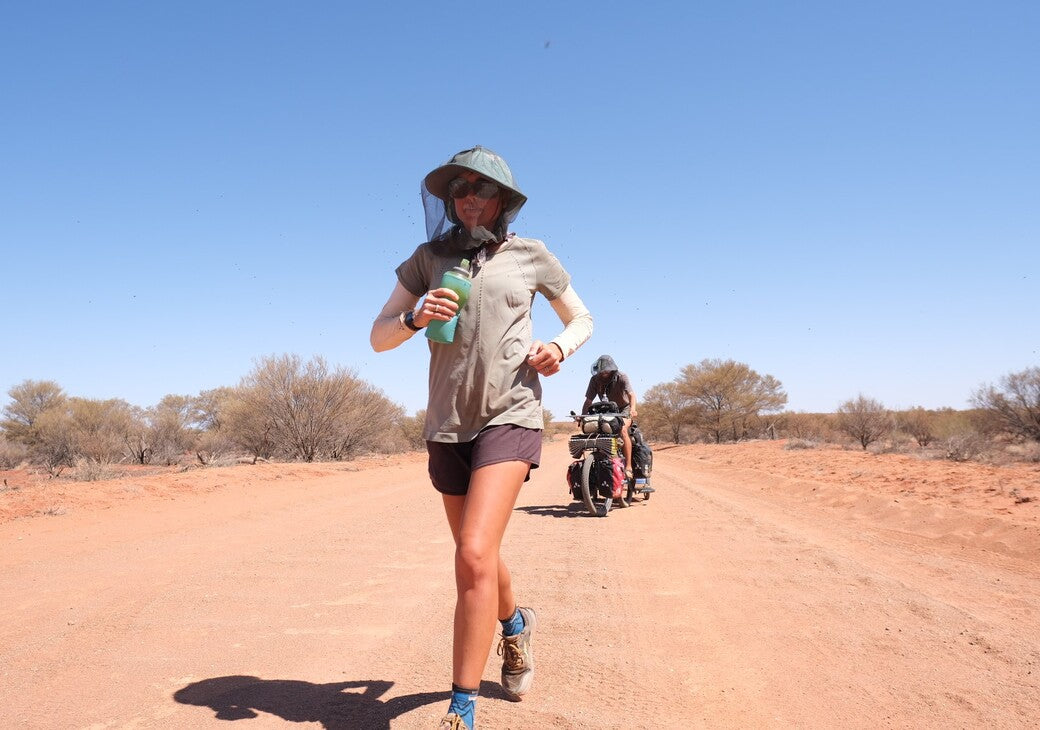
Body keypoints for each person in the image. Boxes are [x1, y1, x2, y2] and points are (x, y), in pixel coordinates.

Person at [370, 145, 593, 730]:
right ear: (450, 200)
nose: (470, 197)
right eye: (460, 188)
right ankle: (515, 624)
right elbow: (377, 337)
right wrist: (416, 317)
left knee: (471, 553)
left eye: (482, 188)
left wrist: (558, 348)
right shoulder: (428, 259)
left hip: (510, 413)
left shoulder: (530, 256)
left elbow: (582, 318)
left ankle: (461, 708)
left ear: (501, 201)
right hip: (447, 425)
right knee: (480, 558)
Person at [582, 355, 638, 478]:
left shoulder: (621, 377)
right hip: (606, 411)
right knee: (595, 430)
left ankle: (628, 467)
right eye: (602, 370)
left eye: (607, 370)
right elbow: (588, 401)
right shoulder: (595, 380)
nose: (605, 373)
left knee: (623, 429)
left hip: (624, 410)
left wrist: (633, 409)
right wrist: (582, 416)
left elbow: (631, 395)